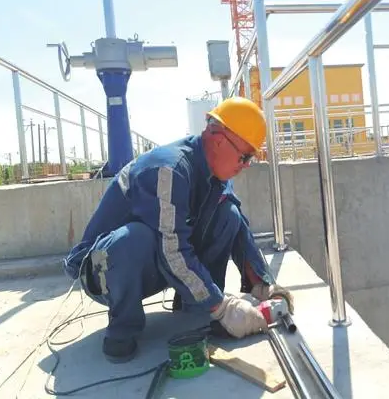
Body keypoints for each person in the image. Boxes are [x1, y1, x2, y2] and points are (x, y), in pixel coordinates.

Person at [62, 97, 294, 363]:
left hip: (155, 263)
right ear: (219, 140)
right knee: (137, 238)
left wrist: (263, 285)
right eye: (245, 156)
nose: (246, 165)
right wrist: (225, 309)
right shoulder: (168, 170)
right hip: (106, 274)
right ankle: (122, 330)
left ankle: (198, 308)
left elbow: (238, 227)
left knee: (228, 214)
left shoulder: (215, 174)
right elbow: (170, 248)